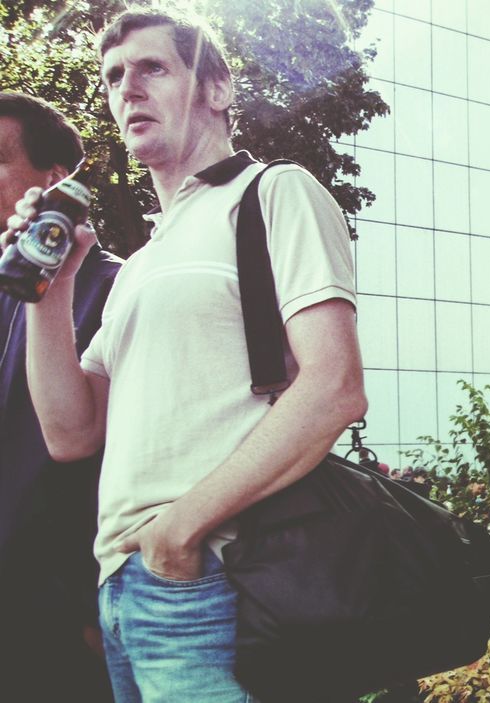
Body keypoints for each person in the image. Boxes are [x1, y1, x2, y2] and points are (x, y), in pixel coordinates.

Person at [8, 9, 365, 701]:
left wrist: (179, 531)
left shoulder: (271, 192)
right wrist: (47, 290)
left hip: (207, 577)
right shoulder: (140, 264)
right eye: (114, 77)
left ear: (217, 89)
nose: (128, 88)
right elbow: (70, 431)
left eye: (152, 69)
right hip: (122, 588)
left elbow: (335, 388)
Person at [0, 92, 119, 701]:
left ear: (52, 183)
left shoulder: (120, 290)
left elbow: (114, 461)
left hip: (60, 625)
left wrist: (89, 604)